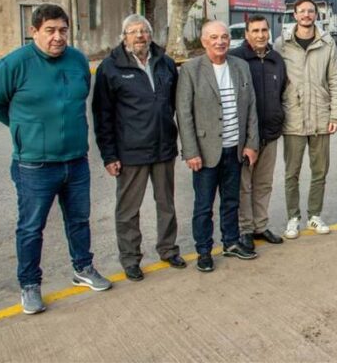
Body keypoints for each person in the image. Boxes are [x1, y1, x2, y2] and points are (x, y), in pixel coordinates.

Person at [0, 4, 111, 315]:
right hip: (34, 165)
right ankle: (30, 284)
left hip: (76, 161)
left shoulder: (77, 60)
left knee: (79, 220)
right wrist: (22, 127)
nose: (57, 37)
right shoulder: (15, 64)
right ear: (34, 31)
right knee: (31, 227)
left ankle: (83, 268)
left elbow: (81, 96)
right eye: (50, 30)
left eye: (62, 30)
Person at [92, 14, 185, 282]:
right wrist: (109, 154)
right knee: (128, 210)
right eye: (133, 32)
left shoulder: (165, 63)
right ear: (124, 37)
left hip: (163, 148)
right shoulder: (110, 68)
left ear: (150, 35)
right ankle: (131, 259)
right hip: (130, 152)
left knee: (166, 204)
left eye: (144, 31)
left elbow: (174, 104)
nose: (139, 36)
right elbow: (102, 115)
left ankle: (168, 249)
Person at [176, 21, 260, 272]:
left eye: (224, 37)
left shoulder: (240, 66)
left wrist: (251, 144)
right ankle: (204, 251)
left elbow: (251, 107)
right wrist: (191, 151)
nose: (220, 41)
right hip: (205, 152)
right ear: (204, 41)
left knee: (231, 201)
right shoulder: (191, 70)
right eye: (213, 37)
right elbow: (184, 113)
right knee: (203, 206)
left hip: (235, 148)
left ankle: (231, 242)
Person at [275, 0, 337, 239]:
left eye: (310, 11)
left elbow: (336, 81)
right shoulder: (281, 44)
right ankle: (293, 218)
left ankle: (314, 215)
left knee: (319, 171)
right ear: (295, 15)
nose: (306, 15)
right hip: (292, 117)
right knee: (291, 173)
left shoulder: (327, 43)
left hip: (320, 117)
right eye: (302, 11)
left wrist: (336, 115)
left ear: (317, 14)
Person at [229, 15, 287, 247]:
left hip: (270, 133)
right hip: (245, 137)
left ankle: (260, 226)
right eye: (255, 31)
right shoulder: (236, 59)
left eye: (264, 30)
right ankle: (245, 229)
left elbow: (281, 90)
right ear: (247, 34)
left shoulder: (276, 59)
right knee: (244, 185)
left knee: (264, 183)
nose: (261, 35)